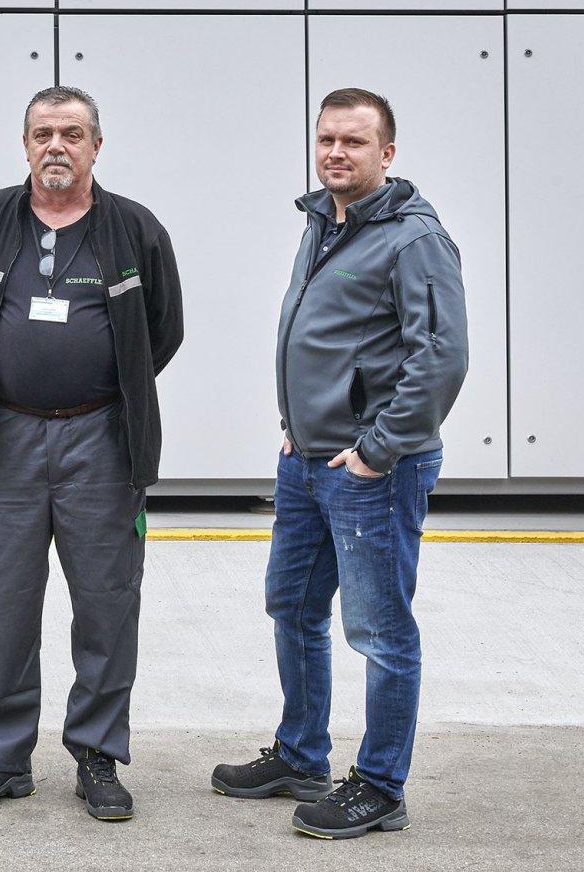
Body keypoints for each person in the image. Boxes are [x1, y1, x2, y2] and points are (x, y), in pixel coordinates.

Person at [211, 87, 467, 840]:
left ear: (387, 153)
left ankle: (381, 786)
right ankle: (300, 756)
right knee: (291, 606)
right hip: (307, 460)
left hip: (372, 471)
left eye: (353, 142)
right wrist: (297, 425)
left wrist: (378, 450)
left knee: (380, 632)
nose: (336, 153)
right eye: (326, 139)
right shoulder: (324, 223)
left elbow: (440, 355)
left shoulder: (414, 240)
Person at [0, 86, 184, 822]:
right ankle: (2, 757)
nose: (56, 146)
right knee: (4, 603)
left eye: (72, 134)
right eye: (43, 132)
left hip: (102, 440)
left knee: (107, 603)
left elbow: (162, 331)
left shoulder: (135, 229)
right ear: (24, 144)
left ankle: (97, 755)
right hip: (6, 441)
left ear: (96, 147)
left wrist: (100, 385)